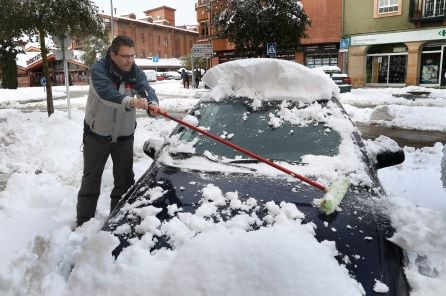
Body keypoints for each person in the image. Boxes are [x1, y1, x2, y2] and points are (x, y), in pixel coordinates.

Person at [76, 35, 162, 226]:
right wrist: (131, 101)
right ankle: (83, 222)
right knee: (91, 181)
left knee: (124, 182)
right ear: (113, 55)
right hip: (96, 136)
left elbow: (146, 89)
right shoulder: (99, 70)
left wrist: (152, 105)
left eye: (132, 56)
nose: (129, 60)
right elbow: (107, 94)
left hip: (124, 137)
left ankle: (117, 222)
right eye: (125, 56)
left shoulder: (134, 71)